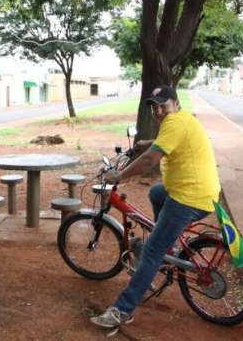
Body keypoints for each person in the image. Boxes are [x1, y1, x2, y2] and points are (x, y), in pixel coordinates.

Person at [90, 85, 221, 328]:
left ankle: (123, 310)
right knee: (156, 192)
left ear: (176, 104)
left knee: (151, 252)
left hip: (188, 197)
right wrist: (146, 142)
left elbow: (151, 160)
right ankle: (169, 246)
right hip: (199, 192)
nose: (159, 110)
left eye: (164, 105)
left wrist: (119, 176)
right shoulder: (181, 121)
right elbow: (161, 145)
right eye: (154, 106)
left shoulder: (173, 122)